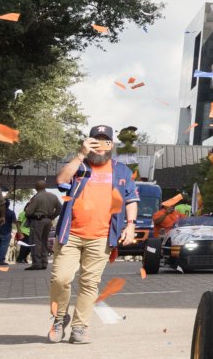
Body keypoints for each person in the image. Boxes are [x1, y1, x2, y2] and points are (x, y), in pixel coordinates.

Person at [45, 124, 141, 345]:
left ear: (111, 145)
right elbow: (60, 182)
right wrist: (80, 154)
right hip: (71, 234)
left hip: (101, 236)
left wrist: (131, 225)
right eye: (95, 141)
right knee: (60, 278)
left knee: (89, 283)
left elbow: (131, 200)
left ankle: (80, 327)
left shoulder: (121, 171)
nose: (100, 146)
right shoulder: (79, 166)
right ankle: (59, 319)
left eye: (105, 141)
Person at [21, 186, 62, 271]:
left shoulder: (37, 197)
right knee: (44, 241)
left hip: (37, 221)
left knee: (35, 241)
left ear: (36, 188)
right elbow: (60, 208)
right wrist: (52, 217)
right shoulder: (53, 196)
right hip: (48, 221)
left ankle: (37, 263)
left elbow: (28, 212)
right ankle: (44, 262)